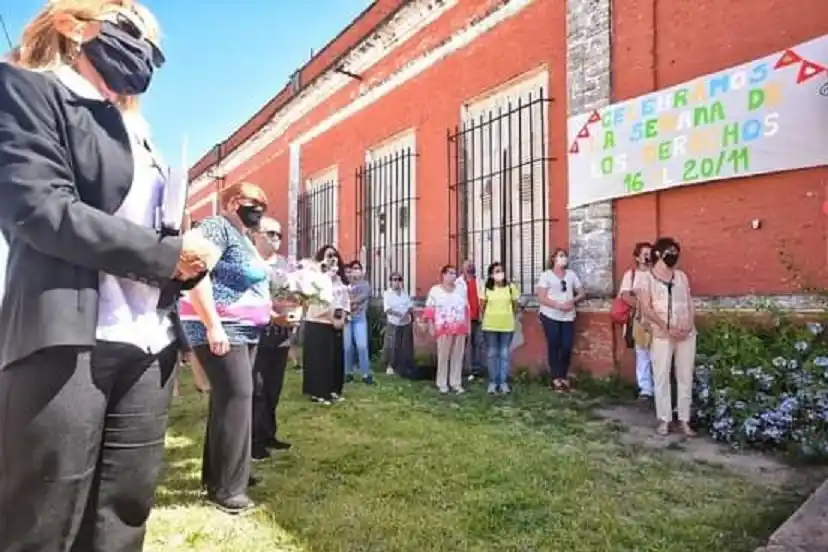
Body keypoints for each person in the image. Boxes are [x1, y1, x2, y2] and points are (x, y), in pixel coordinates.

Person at [0, 2, 219, 549]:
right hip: (68, 341)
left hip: (148, 344)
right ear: (75, 25)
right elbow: (42, 211)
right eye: (130, 32)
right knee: (44, 516)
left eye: (153, 47)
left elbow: (150, 228)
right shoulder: (29, 90)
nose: (144, 52)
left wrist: (186, 257)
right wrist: (165, 256)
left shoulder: (136, 130)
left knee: (123, 514)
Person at [179, 181, 272, 514]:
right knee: (237, 399)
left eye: (263, 204)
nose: (259, 209)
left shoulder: (243, 238)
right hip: (223, 330)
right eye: (253, 202)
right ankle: (228, 490)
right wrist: (213, 324)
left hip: (245, 331)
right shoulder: (217, 227)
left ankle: (225, 475)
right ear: (233, 203)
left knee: (228, 401)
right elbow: (193, 269)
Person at [636, 237, 697, 437]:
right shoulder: (646, 277)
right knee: (661, 375)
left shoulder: (681, 276)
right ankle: (664, 419)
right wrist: (665, 326)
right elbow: (646, 307)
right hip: (662, 333)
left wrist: (688, 324)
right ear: (657, 254)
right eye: (669, 251)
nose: (673, 256)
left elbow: (689, 302)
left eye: (675, 252)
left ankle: (684, 419)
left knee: (685, 376)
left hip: (685, 333)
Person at [251, 217, 295, 461]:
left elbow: (293, 293)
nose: (276, 239)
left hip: (281, 333)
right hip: (258, 333)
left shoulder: (284, 264)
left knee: (273, 388)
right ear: (256, 234)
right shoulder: (250, 261)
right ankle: (254, 441)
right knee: (257, 388)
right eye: (271, 233)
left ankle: (268, 434)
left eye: (279, 234)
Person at [302, 245, 349, 404]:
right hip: (318, 322)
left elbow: (344, 299)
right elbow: (312, 300)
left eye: (335, 255)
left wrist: (343, 316)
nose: (332, 259)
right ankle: (318, 392)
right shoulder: (315, 276)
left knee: (335, 359)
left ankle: (333, 389)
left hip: (336, 323)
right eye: (328, 256)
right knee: (319, 360)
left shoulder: (339, 279)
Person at [536, 248, 586, 392]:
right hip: (550, 315)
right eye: (561, 256)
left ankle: (564, 376)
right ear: (553, 259)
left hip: (568, 316)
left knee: (566, 346)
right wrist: (558, 305)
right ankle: (555, 378)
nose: (564, 258)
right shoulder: (546, 276)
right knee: (554, 344)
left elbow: (581, 292)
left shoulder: (571, 275)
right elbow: (542, 297)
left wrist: (573, 301)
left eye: (565, 256)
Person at [423, 265, 470, 394]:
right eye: (450, 273)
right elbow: (429, 310)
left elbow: (466, 308)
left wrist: (468, 326)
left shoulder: (460, 289)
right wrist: (431, 326)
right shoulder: (435, 291)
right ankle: (442, 383)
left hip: (459, 328)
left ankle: (455, 382)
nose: (453, 276)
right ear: (443, 275)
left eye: (455, 273)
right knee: (443, 356)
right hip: (443, 328)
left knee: (457, 356)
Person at [618, 242, 654, 400]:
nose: (647, 256)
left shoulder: (658, 273)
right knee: (642, 352)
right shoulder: (631, 275)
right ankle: (645, 388)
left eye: (650, 253)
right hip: (640, 318)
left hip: (658, 318)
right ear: (637, 257)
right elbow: (625, 296)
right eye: (644, 253)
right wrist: (643, 306)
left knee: (660, 353)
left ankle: (661, 388)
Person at [479, 262, 520, 395]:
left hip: (507, 325)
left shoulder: (510, 287)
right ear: (491, 274)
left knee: (504, 353)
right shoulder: (486, 288)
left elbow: (515, 305)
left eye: (501, 271)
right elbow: (482, 307)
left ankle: (502, 382)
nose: (500, 274)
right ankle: (493, 382)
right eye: (497, 271)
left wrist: (509, 315)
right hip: (490, 325)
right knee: (492, 353)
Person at [344, 260, 374, 384]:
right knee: (347, 347)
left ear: (361, 271)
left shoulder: (365, 284)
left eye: (358, 268)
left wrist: (349, 302)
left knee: (362, 346)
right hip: (346, 318)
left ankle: (366, 374)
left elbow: (361, 298)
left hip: (359, 319)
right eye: (353, 268)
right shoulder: (345, 285)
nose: (356, 271)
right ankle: (348, 373)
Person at [382, 271, 414, 377]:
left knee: (405, 345)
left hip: (406, 322)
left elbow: (410, 306)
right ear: (390, 281)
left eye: (399, 279)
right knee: (392, 345)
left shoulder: (405, 293)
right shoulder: (387, 294)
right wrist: (399, 315)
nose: (397, 282)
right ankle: (390, 365)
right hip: (394, 322)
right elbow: (387, 309)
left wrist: (406, 315)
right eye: (394, 279)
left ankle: (404, 366)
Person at [459, 259, 486, 379]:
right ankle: (460, 369)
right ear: (463, 268)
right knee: (461, 344)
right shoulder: (458, 283)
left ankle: (476, 371)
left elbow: (483, 299)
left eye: (472, 265)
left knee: (477, 344)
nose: (470, 267)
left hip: (477, 318)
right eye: (467, 265)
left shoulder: (480, 282)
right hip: (463, 319)